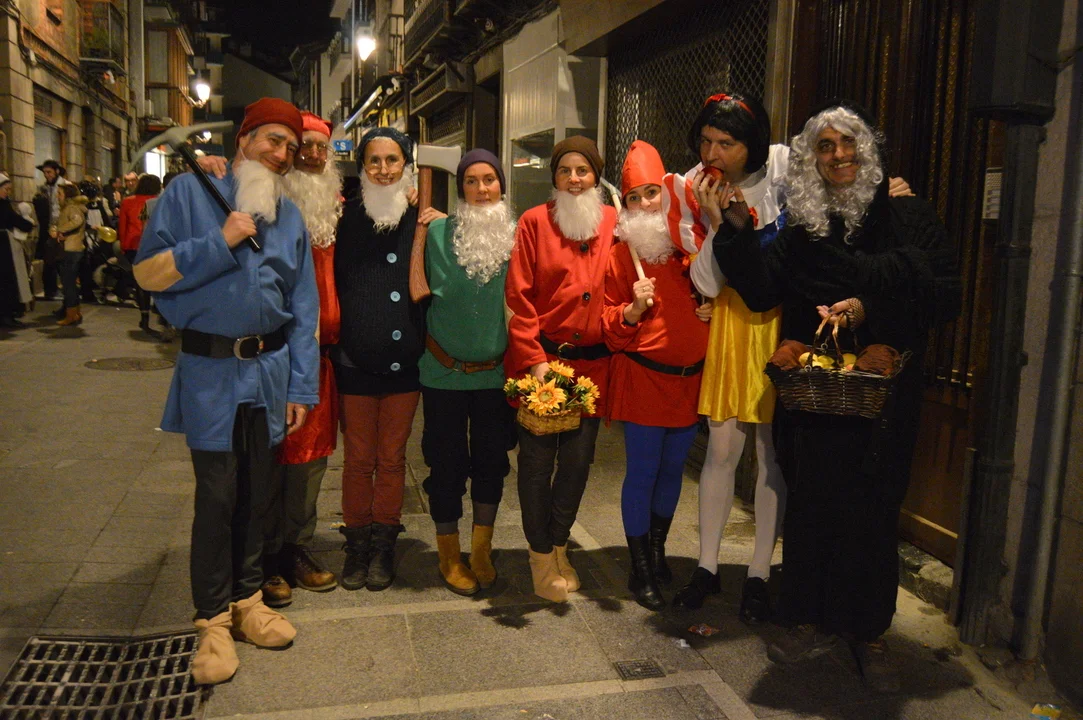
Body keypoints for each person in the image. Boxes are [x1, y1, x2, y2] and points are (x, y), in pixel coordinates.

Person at [709, 101, 960, 688]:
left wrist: (869, 304)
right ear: (812, 160)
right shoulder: (804, 227)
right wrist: (738, 232)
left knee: (873, 511)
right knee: (812, 504)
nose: (839, 155)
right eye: (825, 146)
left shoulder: (908, 215)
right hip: (816, 395)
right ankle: (805, 617)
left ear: (866, 151)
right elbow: (762, 290)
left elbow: (944, 295)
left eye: (848, 143)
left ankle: (868, 631)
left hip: (883, 399)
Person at [677, 93, 915, 620]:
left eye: (727, 142)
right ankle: (714, 571)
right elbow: (716, 282)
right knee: (730, 452)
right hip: (746, 331)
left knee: (780, 457)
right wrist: (719, 222)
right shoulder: (696, 189)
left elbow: (920, 279)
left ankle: (767, 578)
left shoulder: (790, 174)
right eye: (707, 142)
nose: (713, 154)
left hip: (800, 331)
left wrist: (887, 192)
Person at [133, 97, 319, 686]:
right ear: (243, 139)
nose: (281, 154)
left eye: (290, 147)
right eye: (271, 140)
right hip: (211, 372)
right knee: (216, 497)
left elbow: (304, 308)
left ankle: (247, 601)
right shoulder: (188, 194)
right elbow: (148, 274)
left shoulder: (289, 215)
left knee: (258, 494)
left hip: (269, 373)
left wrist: (301, 386)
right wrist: (221, 240)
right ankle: (212, 620)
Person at [505, 136, 617, 603]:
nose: (574, 179)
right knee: (535, 464)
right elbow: (518, 297)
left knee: (576, 463)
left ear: (596, 176)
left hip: (592, 369)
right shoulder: (534, 222)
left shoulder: (613, 221)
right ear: (553, 176)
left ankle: (558, 546)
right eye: (565, 171)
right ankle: (538, 556)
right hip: (545, 364)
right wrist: (534, 361)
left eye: (582, 171)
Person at [602, 141, 711, 610]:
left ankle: (658, 550)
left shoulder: (694, 246)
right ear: (625, 205)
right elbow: (609, 328)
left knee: (672, 473)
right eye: (635, 197)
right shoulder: (619, 257)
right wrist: (631, 310)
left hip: (689, 381)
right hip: (645, 380)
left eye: (652, 193)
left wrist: (713, 308)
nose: (646, 203)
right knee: (644, 473)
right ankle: (640, 567)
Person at [333, 127, 440, 592]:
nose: (383, 169)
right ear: (361, 166)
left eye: (392, 160)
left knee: (393, 459)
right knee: (359, 460)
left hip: (404, 361)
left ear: (406, 165)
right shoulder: (342, 214)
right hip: (355, 358)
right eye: (373, 160)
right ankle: (356, 545)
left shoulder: (421, 215)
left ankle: (383, 545)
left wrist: (438, 222)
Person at [419, 149, 516, 596]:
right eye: (471, 181)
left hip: (495, 376)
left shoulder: (516, 237)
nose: (481, 189)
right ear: (460, 188)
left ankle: (481, 550)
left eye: (489, 180)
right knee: (446, 464)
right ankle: (448, 554)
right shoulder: (435, 232)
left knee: (492, 463)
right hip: (443, 374)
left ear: (501, 186)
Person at [260, 111, 343, 608]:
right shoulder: (264, 204)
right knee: (271, 458)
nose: (311, 156)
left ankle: (295, 548)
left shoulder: (338, 211)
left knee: (311, 463)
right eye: (302, 147)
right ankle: (265, 557)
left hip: (323, 359)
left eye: (319, 148)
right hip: (274, 355)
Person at [119, 174, 163, 336]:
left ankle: (144, 317)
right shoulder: (159, 202)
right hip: (155, 245)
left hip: (133, 245)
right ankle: (161, 312)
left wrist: (123, 245)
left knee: (140, 281)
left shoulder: (128, 202)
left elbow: (122, 226)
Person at [0, 174, 35, 328]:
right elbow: (12, 219)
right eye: (6, 189)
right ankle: (6, 315)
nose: (8, 192)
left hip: (4, 243)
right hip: (3, 245)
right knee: (6, 279)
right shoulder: (2, 205)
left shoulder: (4, 203)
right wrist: (27, 225)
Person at [33, 159, 68, 303]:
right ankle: (51, 290)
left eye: (49, 172)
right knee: (49, 261)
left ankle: (63, 290)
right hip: (49, 230)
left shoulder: (64, 186)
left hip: (62, 230)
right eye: (45, 172)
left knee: (60, 262)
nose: (46, 175)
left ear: (56, 171)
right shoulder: (44, 188)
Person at [54, 183, 88, 326]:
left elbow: (77, 220)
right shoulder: (71, 207)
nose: (57, 196)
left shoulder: (71, 208)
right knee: (70, 283)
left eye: (60, 194)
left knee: (68, 284)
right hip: (72, 248)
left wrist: (61, 230)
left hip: (71, 249)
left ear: (67, 196)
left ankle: (71, 315)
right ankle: (75, 312)